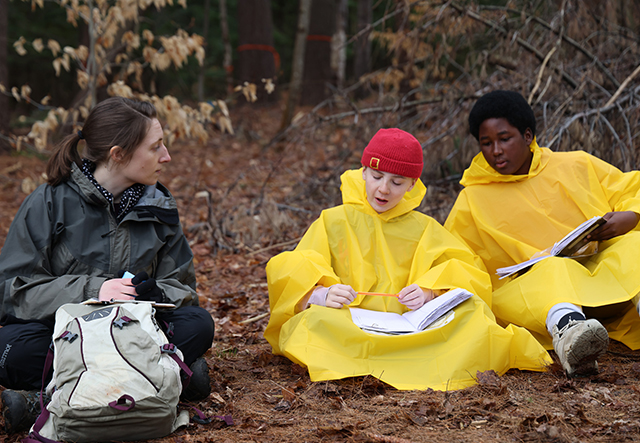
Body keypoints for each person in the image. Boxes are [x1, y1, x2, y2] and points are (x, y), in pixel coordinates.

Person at [264, 128, 551, 391]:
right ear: (363, 172)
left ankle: (368, 360)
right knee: (313, 322)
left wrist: (430, 291)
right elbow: (296, 265)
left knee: (472, 314)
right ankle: (408, 361)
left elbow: (465, 270)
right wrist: (322, 293)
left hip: (412, 327)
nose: (384, 190)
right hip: (349, 324)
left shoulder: (424, 227)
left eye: (397, 182)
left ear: (412, 184)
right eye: (376, 177)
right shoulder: (334, 220)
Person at [0, 97, 215, 433]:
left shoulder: (159, 205)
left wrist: (156, 292)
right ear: (118, 154)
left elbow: (184, 289)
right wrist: (94, 290)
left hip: (132, 331)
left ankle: (45, 401)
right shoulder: (48, 201)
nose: (166, 156)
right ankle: (168, 380)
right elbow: (11, 292)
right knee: (11, 351)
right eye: (155, 147)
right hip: (64, 335)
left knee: (198, 325)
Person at [445, 90, 640, 377]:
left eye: (504, 139)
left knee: (634, 244)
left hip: (600, 274)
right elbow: (455, 257)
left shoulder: (576, 164)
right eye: (486, 143)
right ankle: (573, 337)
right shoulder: (472, 199)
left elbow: (628, 188)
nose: (496, 150)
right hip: (534, 292)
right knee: (550, 268)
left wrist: (631, 215)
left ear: (527, 136)